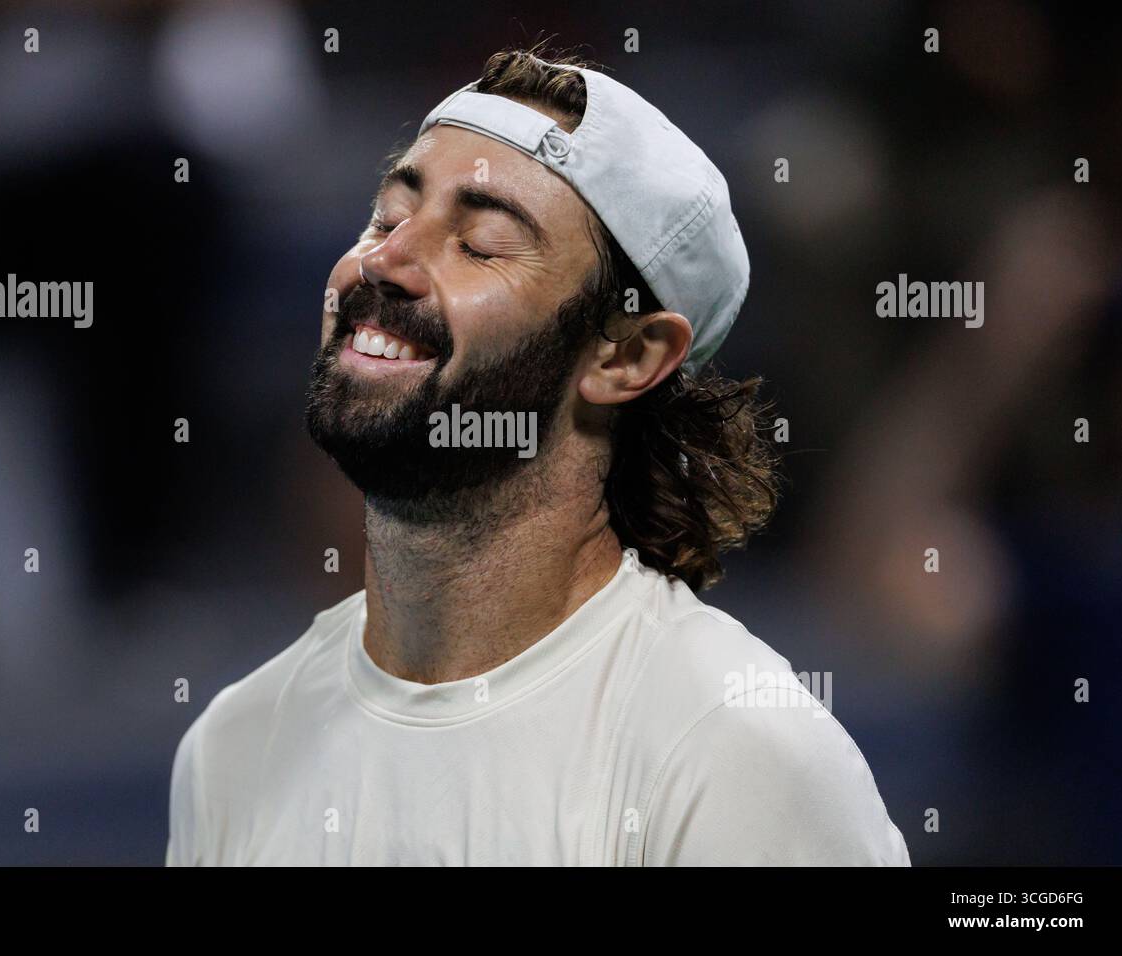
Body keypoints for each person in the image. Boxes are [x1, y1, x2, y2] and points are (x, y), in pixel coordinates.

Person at [166, 48, 909, 866]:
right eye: (386, 217)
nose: (382, 262)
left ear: (625, 356)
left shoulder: (735, 754)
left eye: (481, 243)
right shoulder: (232, 747)